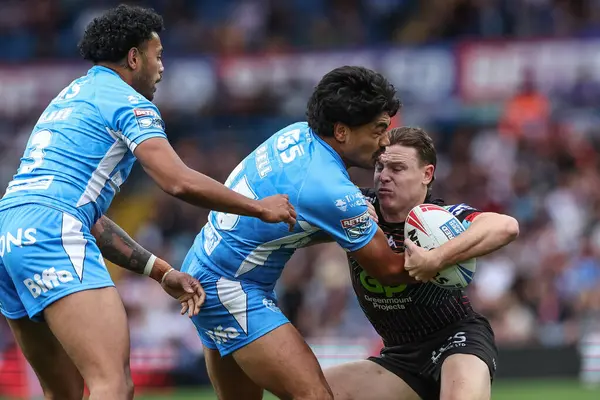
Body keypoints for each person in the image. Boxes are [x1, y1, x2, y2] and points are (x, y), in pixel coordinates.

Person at [0, 5, 295, 400]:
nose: (161, 67)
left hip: (10, 232)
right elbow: (177, 182)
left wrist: (160, 272)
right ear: (134, 57)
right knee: (112, 384)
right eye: (157, 55)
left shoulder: (70, 96)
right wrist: (260, 207)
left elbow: (87, 217)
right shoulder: (129, 101)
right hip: (53, 229)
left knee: (64, 393)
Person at [181, 66, 424, 400]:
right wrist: (448, 256)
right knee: (314, 396)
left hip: (210, 269)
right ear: (341, 131)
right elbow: (389, 270)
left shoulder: (297, 134)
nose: (385, 143)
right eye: (379, 130)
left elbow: (297, 217)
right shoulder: (330, 189)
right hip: (229, 286)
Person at [323, 126, 520, 400]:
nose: (384, 177)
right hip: (400, 358)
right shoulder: (354, 207)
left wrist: (435, 258)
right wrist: (338, 215)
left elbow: (506, 226)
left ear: (426, 174)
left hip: (457, 341)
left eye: (398, 168)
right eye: (380, 166)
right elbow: (300, 209)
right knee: (312, 391)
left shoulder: (443, 221)